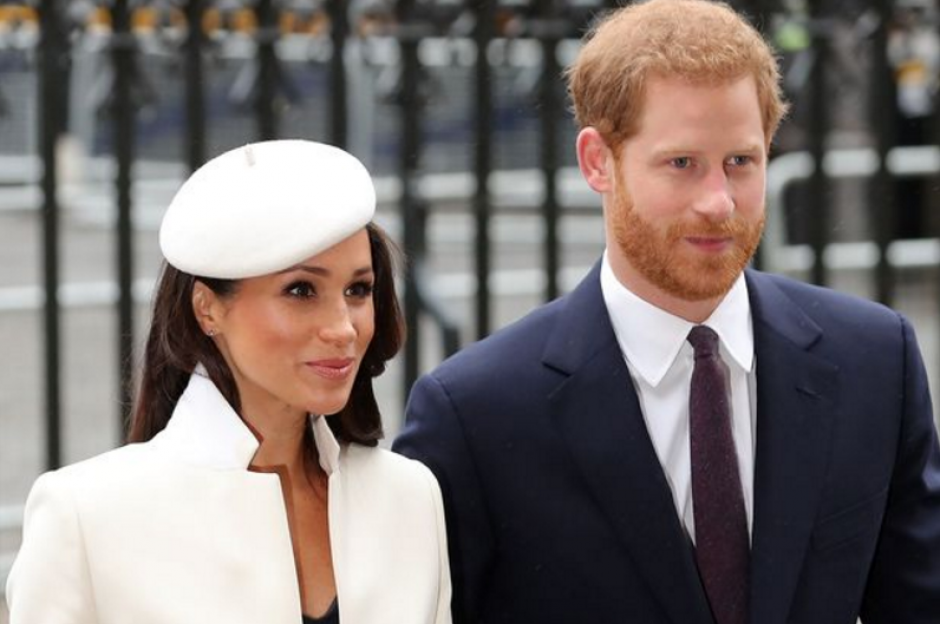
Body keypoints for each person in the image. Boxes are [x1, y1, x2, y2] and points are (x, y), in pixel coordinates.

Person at [393, 1, 940, 623]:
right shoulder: (476, 413)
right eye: (682, 163)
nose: (718, 202)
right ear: (598, 161)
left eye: (741, 161)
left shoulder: (874, 361)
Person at [7, 140, 452, 624]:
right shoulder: (85, 517)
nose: (343, 327)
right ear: (207, 308)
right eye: (301, 290)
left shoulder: (411, 499)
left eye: (357, 290)